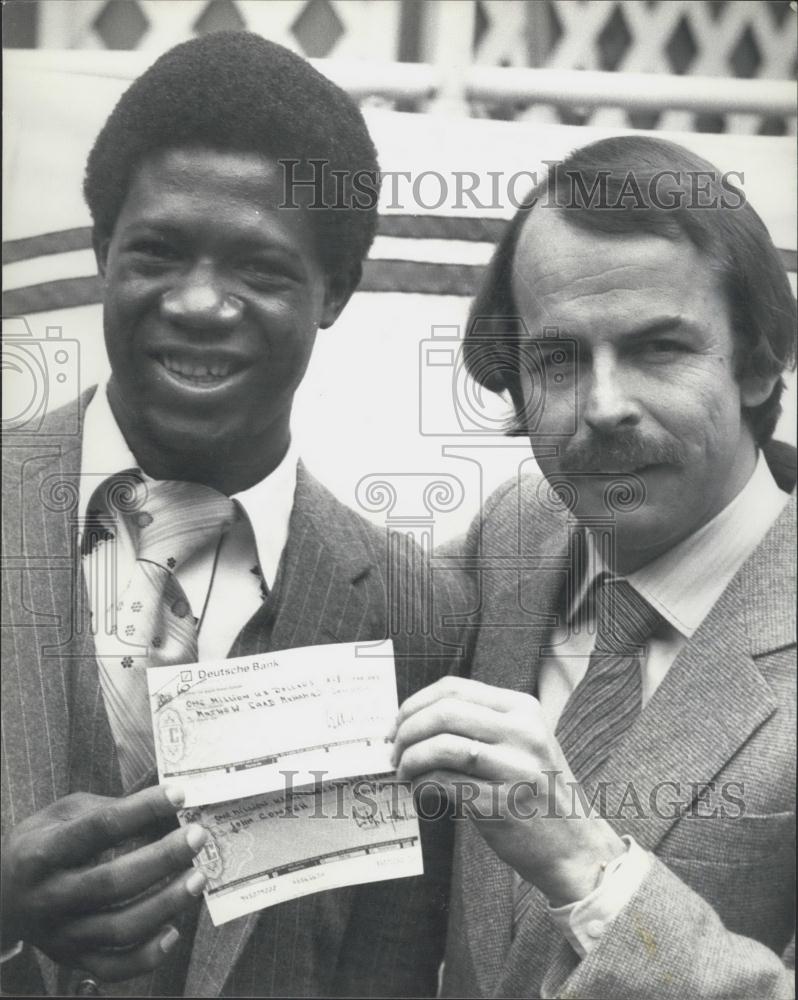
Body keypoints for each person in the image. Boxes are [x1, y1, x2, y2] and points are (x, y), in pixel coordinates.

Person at [1, 32, 466, 997]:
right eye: (160, 252)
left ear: (335, 292)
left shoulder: (419, 620)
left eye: (259, 269)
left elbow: (381, 973)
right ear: (100, 251)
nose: (201, 303)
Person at [392, 135, 796, 997]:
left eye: (659, 348)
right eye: (558, 360)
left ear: (763, 362)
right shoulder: (517, 535)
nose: (604, 406)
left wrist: (587, 864)